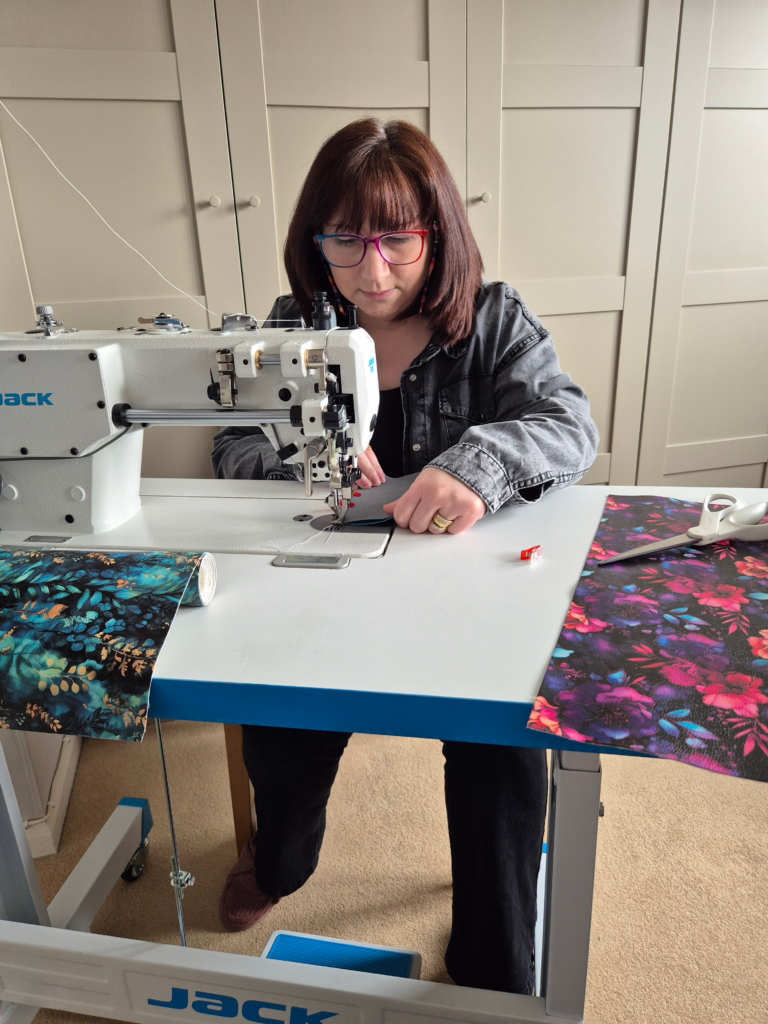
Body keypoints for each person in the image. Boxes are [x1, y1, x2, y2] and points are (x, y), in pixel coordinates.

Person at [211, 118, 598, 995]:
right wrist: (298, 462)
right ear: (315, 238)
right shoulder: (292, 325)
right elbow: (228, 443)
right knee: (278, 727)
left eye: (396, 239)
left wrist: (478, 463)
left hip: (468, 608)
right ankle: (282, 864)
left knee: (501, 750)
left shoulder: (494, 321)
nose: (370, 270)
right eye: (343, 239)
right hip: (318, 596)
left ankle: (496, 958)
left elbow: (571, 427)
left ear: (438, 232)